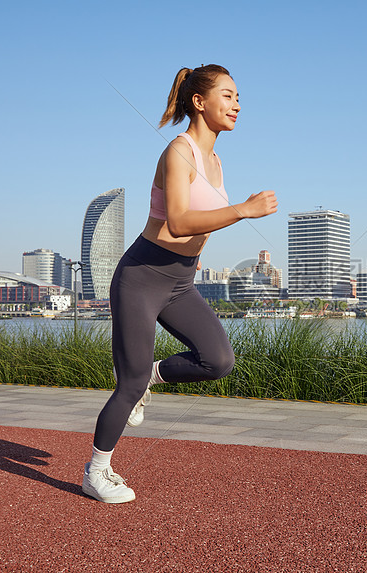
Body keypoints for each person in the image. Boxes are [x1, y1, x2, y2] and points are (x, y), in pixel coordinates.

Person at [82, 64, 278, 503]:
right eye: (227, 95)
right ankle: (96, 471)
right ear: (199, 101)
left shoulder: (215, 160)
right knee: (128, 386)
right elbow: (178, 221)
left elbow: (198, 232)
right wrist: (244, 210)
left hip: (180, 282)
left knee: (218, 360)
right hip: (142, 277)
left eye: (238, 97)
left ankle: (153, 376)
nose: (237, 104)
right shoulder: (179, 152)